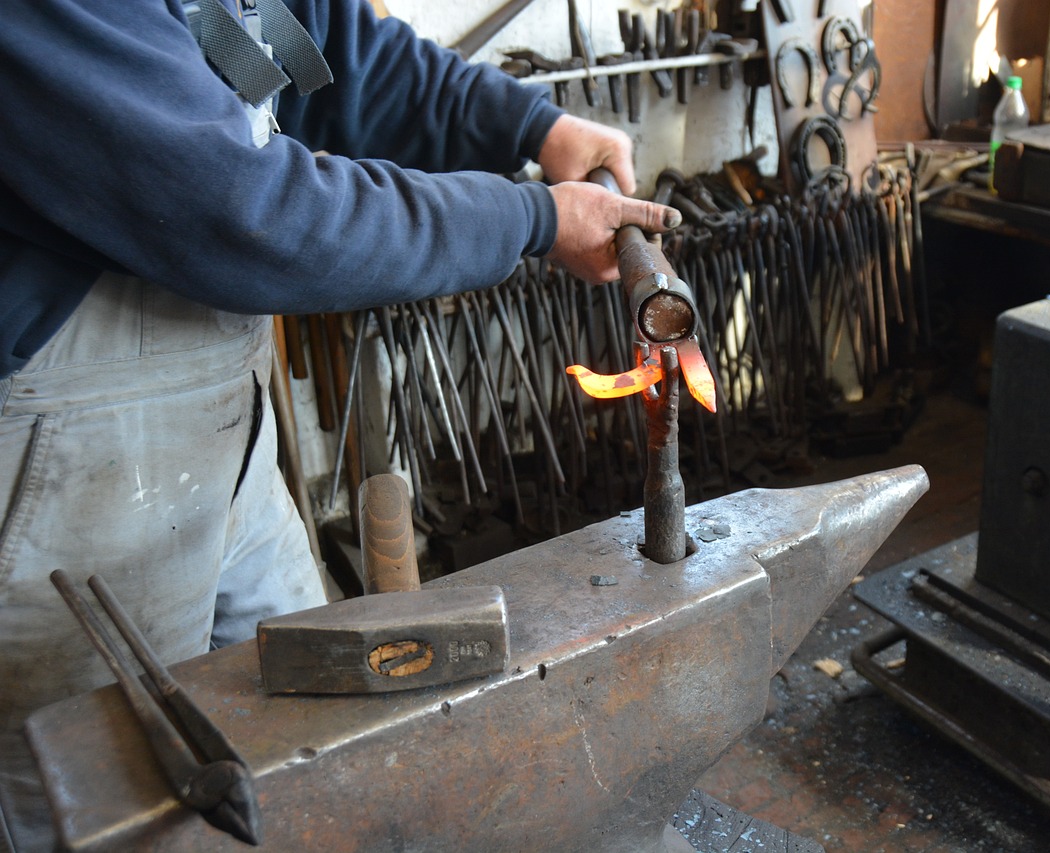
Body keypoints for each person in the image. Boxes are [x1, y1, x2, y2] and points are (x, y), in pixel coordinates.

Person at [0, 1, 680, 849]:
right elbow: (242, 213)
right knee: (115, 802)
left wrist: (534, 125)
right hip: (61, 464)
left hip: (224, 436)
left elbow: (327, 43)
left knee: (319, 728)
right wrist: (531, 219)